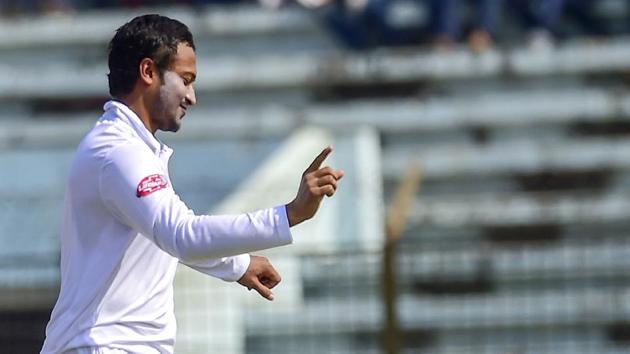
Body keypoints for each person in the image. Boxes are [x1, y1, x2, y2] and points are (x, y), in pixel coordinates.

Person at [40, 14, 344, 354]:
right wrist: (289, 214)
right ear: (148, 72)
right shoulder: (120, 152)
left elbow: (162, 237)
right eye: (185, 80)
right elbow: (181, 235)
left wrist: (238, 264)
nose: (192, 96)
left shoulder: (129, 147)